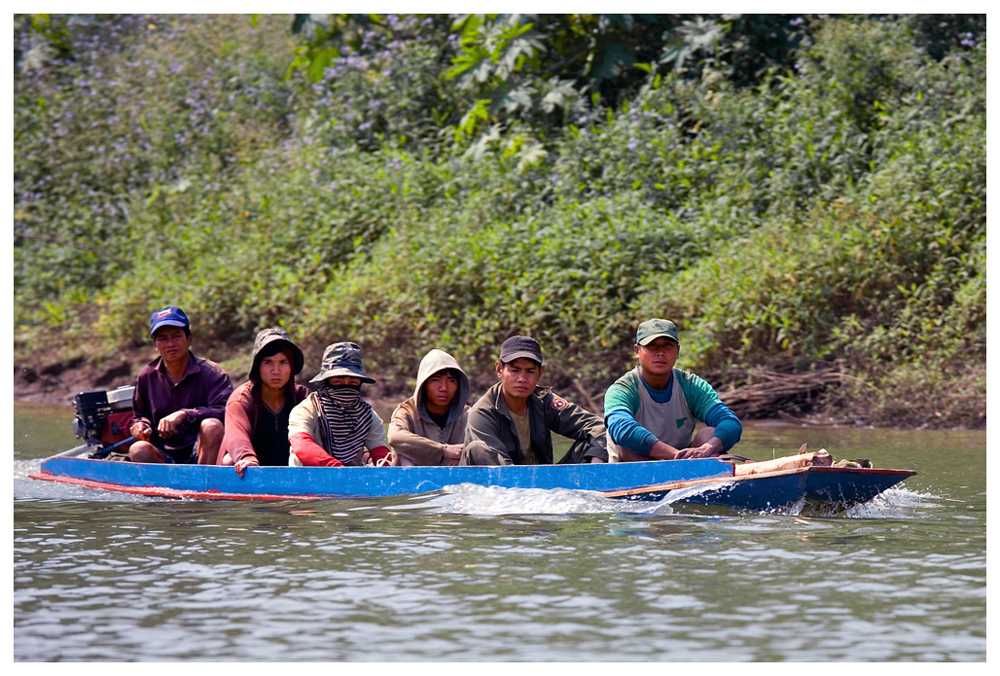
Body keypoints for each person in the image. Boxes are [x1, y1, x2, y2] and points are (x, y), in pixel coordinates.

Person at [603, 318, 742, 462]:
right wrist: (677, 456)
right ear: (637, 351)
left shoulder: (691, 385)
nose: (660, 352)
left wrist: (707, 449)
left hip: (684, 464)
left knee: (709, 434)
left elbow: (730, 422)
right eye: (652, 346)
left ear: (677, 351)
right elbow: (622, 429)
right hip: (637, 467)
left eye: (668, 345)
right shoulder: (622, 389)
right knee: (629, 446)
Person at [461, 335, 608, 465]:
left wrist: (596, 464)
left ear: (540, 373)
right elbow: (502, 470)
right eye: (515, 370)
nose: (522, 379)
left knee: (596, 439)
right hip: (503, 485)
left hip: (542, 482)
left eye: (530, 371)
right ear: (499, 370)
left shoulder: (543, 400)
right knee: (478, 449)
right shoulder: (482, 413)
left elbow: (597, 426)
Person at [128, 305, 233, 464]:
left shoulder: (212, 373)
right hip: (163, 454)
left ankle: (204, 483)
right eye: (163, 338)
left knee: (212, 426)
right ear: (155, 344)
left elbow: (226, 411)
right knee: (138, 449)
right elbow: (140, 415)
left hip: (203, 451)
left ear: (189, 338)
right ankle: (163, 486)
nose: (170, 344)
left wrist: (184, 414)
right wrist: (141, 425)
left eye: (176, 336)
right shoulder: (147, 376)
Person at [218, 328, 310, 476]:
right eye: (268, 362)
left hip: (290, 467)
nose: (276, 370)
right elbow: (237, 436)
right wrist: (247, 458)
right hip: (252, 467)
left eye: (283, 362)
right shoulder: (241, 399)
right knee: (230, 461)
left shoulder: (302, 397)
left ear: (291, 366)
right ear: (257, 366)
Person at [287, 341, 391, 467]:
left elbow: (380, 454)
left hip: (351, 481)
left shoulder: (367, 417)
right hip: (308, 480)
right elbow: (301, 444)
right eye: (338, 380)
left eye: (352, 381)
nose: (345, 385)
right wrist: (336, 469)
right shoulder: (306, 410)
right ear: (325, 381)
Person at [388, 349, 470, 466]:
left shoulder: (467, 415)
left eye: (451, 381)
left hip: (455, 479)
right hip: (413, 478)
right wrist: (443, 450)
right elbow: (395, 437)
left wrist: (465, 453)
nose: (444, 388)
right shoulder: (407, 411)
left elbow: (485, 444)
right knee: (400, 456)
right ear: (424, 384)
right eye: (435, 380)